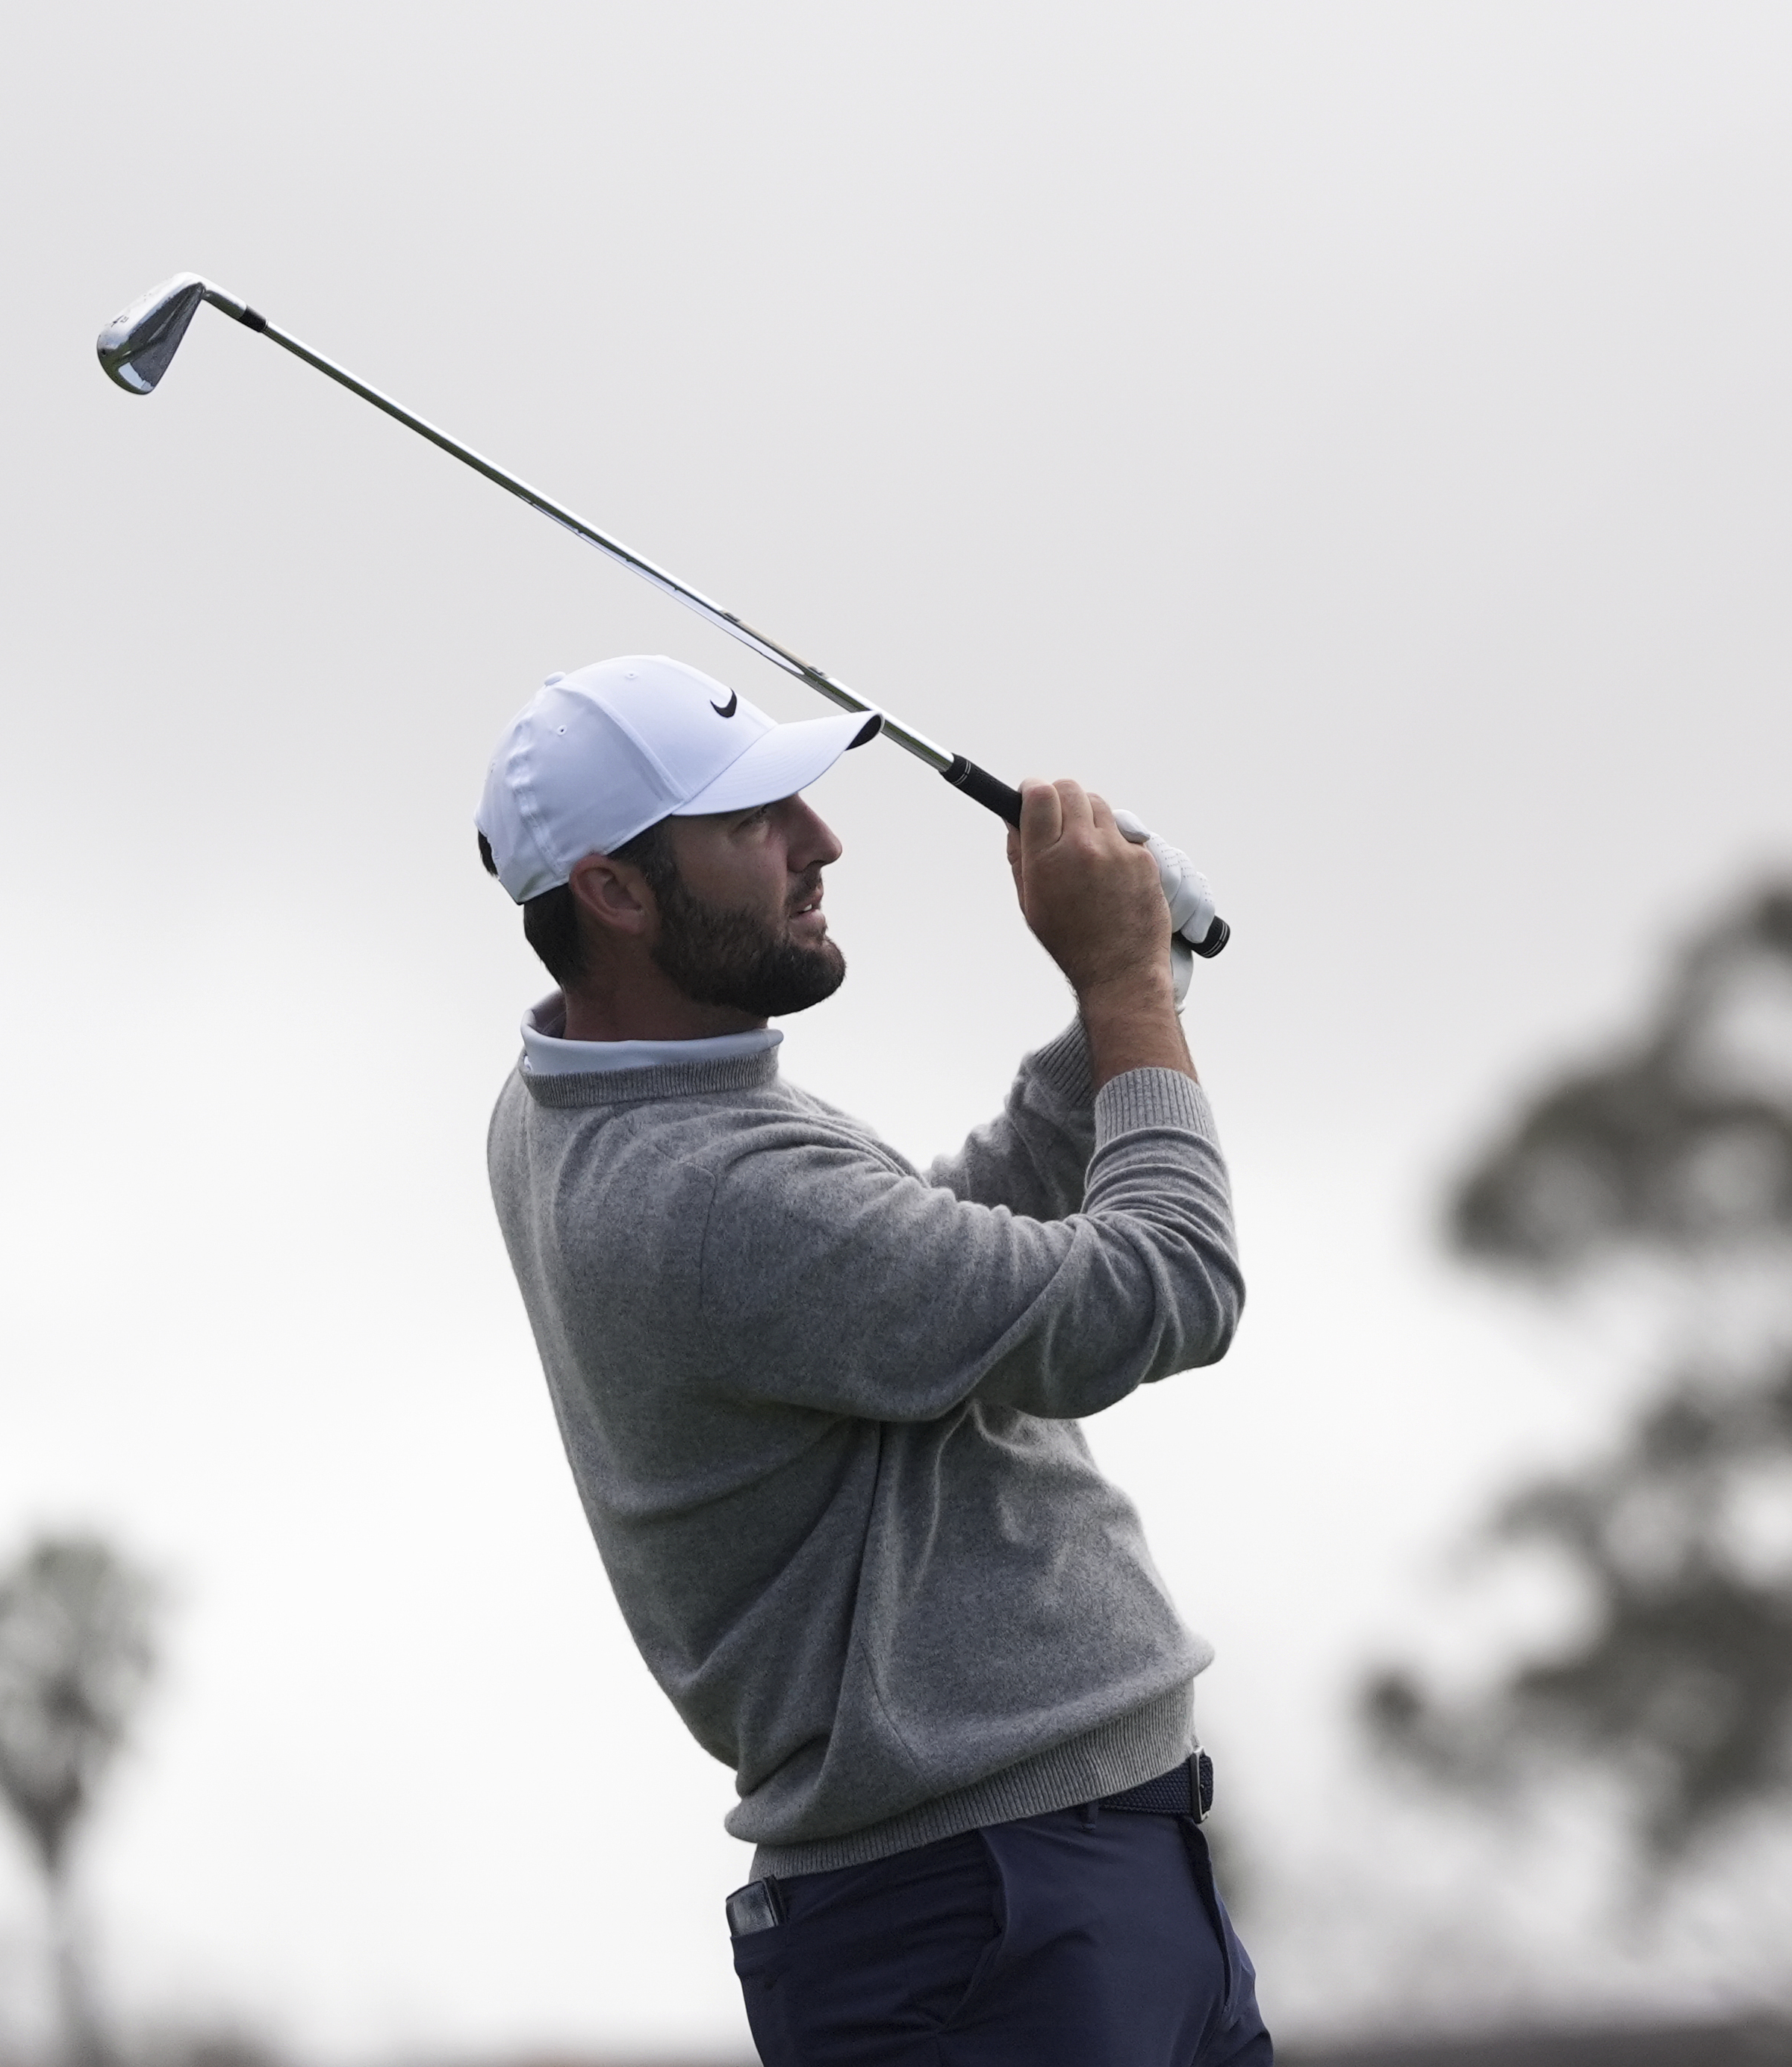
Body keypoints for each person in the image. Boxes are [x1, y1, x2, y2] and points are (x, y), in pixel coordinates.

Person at [474, 654, 1266, 2067]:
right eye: (756, 821)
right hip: (987, 1928)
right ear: (614, 890)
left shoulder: (607, 1093)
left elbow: (924, 1276)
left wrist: (1138, 991)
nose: (822, 842)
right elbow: (1169, 1286)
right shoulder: (706, 1189)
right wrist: (1125, 987)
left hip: (1050, 1892)